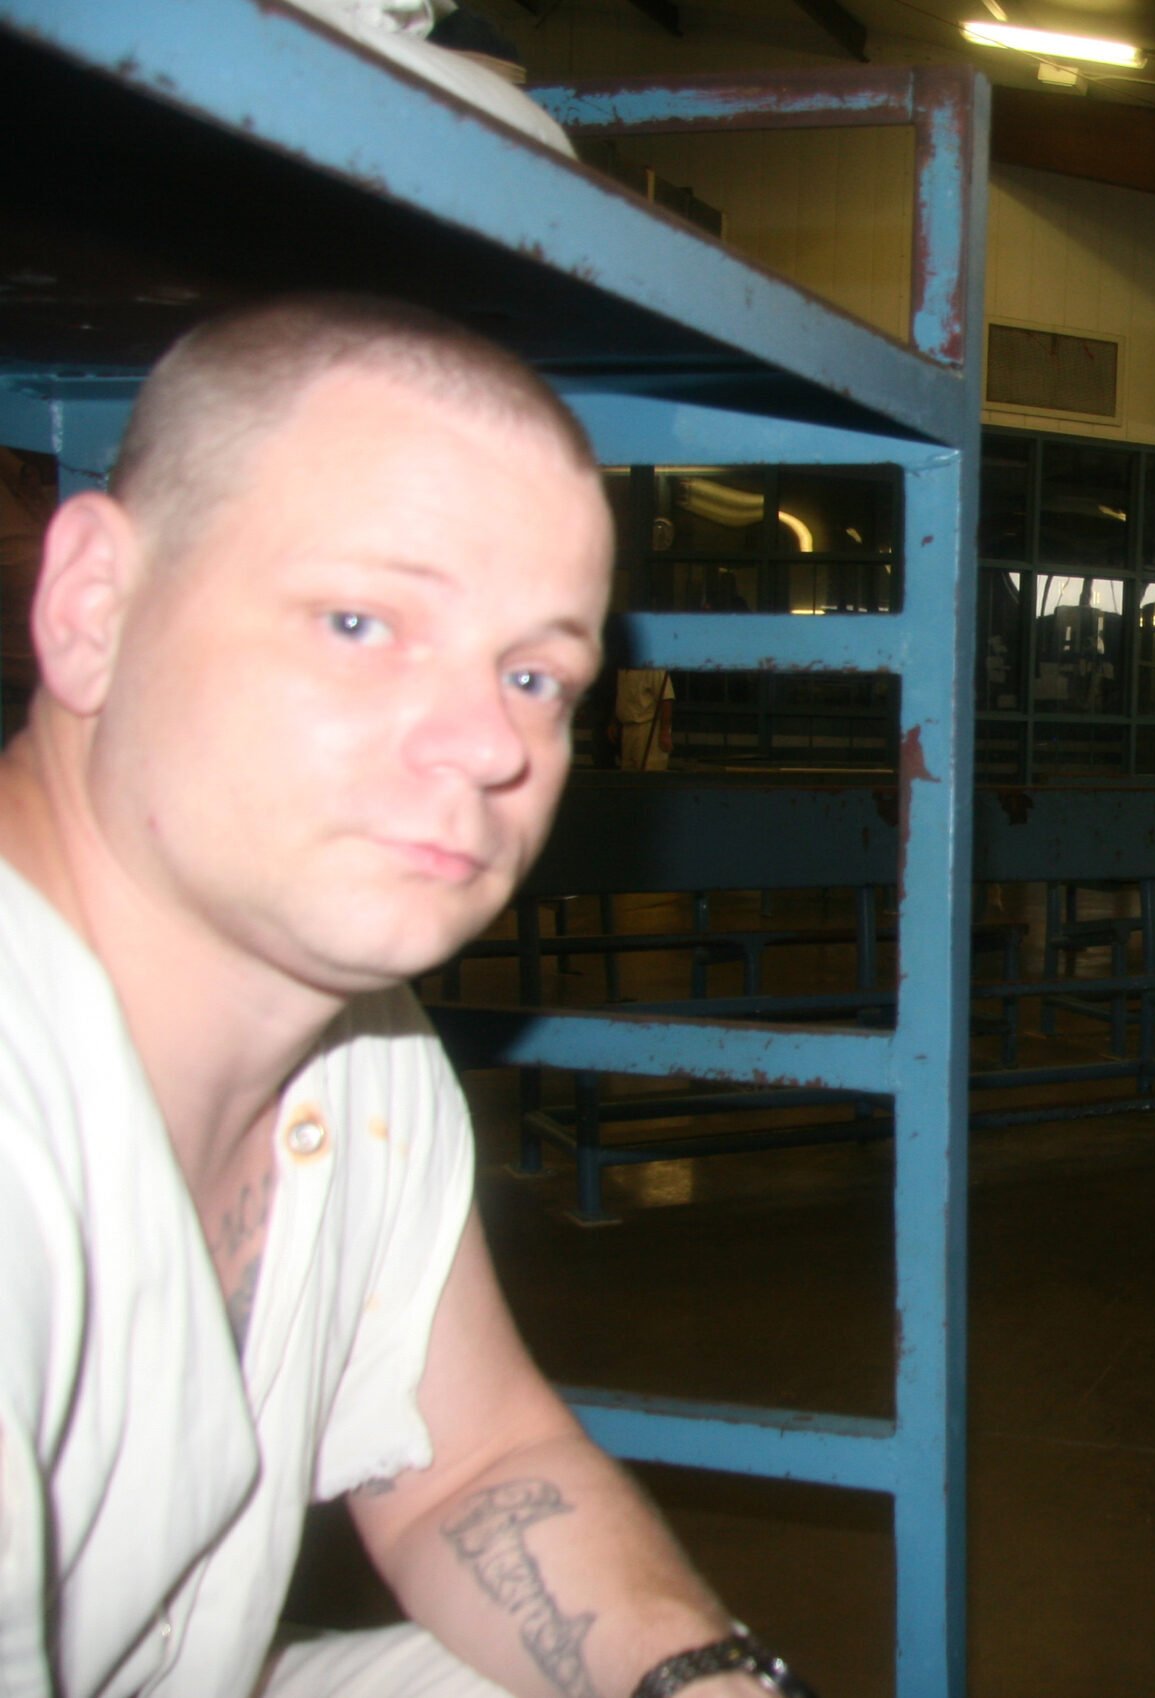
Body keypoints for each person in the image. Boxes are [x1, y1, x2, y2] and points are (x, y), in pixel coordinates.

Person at [0, 296, 809, 1698]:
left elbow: (476, 1464)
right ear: (92, 609)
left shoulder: (355, 1058)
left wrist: (709, 1687)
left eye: (533, 671)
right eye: (362, 618)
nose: (489, 742)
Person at [610, 667, 674, 771]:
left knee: (649, 772)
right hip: (627, 728)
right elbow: (621, 696)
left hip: (647, 729)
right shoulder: (622, 668)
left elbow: (666, 699)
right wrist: (614, 721)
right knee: (628, 774)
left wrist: (664, 732)